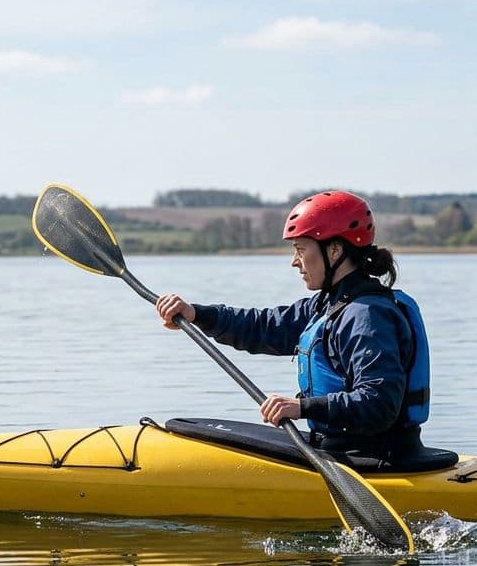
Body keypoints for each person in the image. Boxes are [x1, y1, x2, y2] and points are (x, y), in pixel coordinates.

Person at [155, 190, 432, 464]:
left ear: (334, 250)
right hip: (339, 449)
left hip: (374, 458)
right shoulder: (328, 306)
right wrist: (196, 314)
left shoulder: (366, 317)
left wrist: (302, 408)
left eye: (301, 249)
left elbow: (379, 403)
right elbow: (262, 326)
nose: (294, 261)